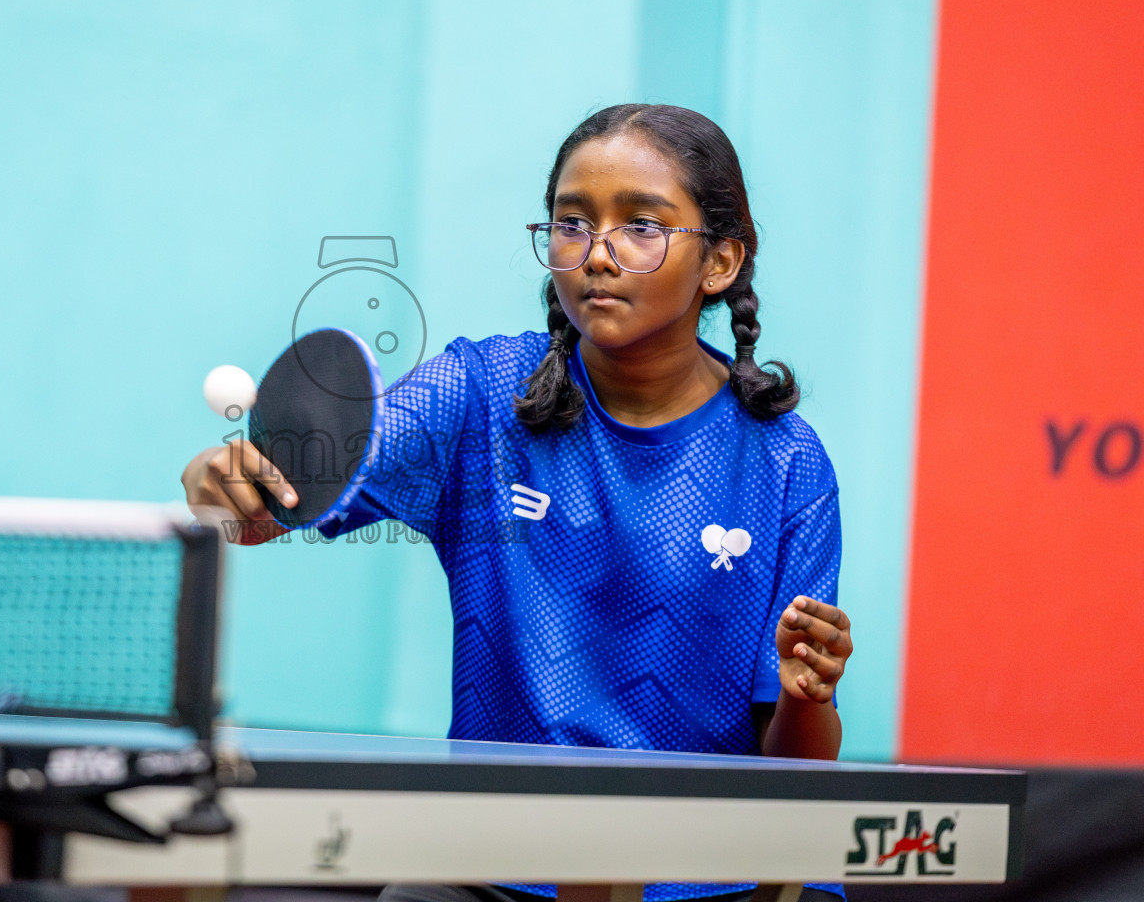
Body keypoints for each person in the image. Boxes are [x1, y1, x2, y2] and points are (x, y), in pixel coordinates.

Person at [181, 104, 852, 902]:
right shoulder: (479, 392)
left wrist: (809, 695)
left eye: (641, 225)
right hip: (493, 858)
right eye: (571, 223)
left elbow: (798, 766)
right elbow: (276, 507)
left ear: (720, 261)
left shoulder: (786, 461)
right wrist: (223, 486)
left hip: (705, 874)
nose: (596, 254)